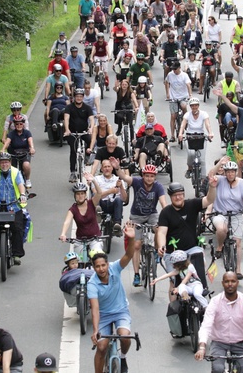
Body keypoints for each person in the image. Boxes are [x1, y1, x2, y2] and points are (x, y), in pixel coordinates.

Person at [195, 272, 243, 371]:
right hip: (219, 343)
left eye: (233, 281)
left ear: (237, 283)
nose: (230, 284)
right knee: (217, 369)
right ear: (222, 283)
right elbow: (206, 325)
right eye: (227, 281)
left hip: (239, 343)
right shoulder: (215, 301)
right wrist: (202, 347)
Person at [110, 158, 167, 287]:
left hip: (152, 215)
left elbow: (163, 203)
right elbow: (124, 177)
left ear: (155, 177)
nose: (149, 179)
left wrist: (168, 214)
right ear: (143, 176)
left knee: (159, 229)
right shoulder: (136, 182)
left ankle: (157, 251)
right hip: (136, 216)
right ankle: (136, 274)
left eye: (152, 176)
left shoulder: (158, 187)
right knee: (136, 245)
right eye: (147, 176)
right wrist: (117, 168)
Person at [88, 223, 137, 373]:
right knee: (101, 347)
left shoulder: (115, 268)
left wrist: (132, 238)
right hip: (103, 316)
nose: (101, 269)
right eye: (98, 266)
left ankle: (122, 357)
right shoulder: (92, 284)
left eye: (103, 265)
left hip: (121, 311)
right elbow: (95, 309)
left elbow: (129, 255)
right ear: (94, 267)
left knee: (125, 337)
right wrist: (96, 330)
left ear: (107, 264)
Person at [156, 180, 216, 295]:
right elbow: (162, 233)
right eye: (175, 195)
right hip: (173, 253)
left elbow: (209, 200)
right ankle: (174, 310)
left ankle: (202, 293)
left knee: (199, 267)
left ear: (183, 194)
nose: (178, 197)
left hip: (192, 249)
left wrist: (212, 187)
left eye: (180, 194)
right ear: (170, 197)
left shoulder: (192, 204)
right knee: (174, 282)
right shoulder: (166, 212)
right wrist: (161, 246)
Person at [205, 158, 243, 279]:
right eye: (228, 171)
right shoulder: (220, 180)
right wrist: (220, 163)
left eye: (232, 171)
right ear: (224, 172)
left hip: (236, 214)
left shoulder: (241, 182)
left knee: (238, 242)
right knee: (221, 229)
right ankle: (220, 246)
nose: (230, 174)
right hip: (221, 213)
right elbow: (210, 175)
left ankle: (238, 269)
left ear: (236, 172)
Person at [213, 92, 243, 181]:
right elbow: (230, 104)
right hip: (239, 141)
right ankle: (239, 181)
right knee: (239, 163)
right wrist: (222, 95)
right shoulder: (241, 112)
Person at [59, 176, 105, 254]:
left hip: (94, 239)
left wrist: (93, 180)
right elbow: (67, 222)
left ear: (85, 194)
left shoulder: (91, 203)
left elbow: (99, 193)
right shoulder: (73, 209)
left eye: (82, 193)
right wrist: (63, 233)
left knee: (98, 258)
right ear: (75, 195)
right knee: (77, 262)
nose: (80, 196)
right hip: (80, 240)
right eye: (78, 194)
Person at [64, 88, 95, 182]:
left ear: (83, 97)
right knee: (73, 151)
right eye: (77, 96)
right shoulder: (69, 107)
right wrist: (67, 130)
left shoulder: (87, 107)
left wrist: (91, 128)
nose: (79, 98)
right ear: (74, 97)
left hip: (83, 131)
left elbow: (92, 119)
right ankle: (73, 172)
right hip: (72, 132)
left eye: (80, 96)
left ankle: (86, 156)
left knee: (90, 140)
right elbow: (66, 119)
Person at [178, 98, 213, 179]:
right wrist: (180, 134)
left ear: (198, 106)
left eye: (196, 105)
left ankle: (204, 179)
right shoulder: (187, 114)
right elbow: (183, 125)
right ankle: (190, 168)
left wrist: (210, 133)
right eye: (192, 106)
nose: (194, 107)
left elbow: (208, 124)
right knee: (191, 154)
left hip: (201, 137)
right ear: (190, 107)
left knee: (202, 159)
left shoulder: (204, 114)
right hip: (190, 137)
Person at [93, 159, 128, 235]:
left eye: (109, 166)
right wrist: (110, 191)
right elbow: (95, 196)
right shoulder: (96, 179)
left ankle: (117, 225)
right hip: (101, 203)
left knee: (119, 199)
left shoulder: (118, 179)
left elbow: (125, 199)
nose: (107, 169)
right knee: (95, 196)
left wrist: (121, 187)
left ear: (112, 168)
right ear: (102, 169)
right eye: (105, 167)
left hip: (113, 204)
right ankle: (98, 214)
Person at [2, 115, 35, 189]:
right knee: (12, 169)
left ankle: (27, 179)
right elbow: (7, 142)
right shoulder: (11, 134)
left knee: (26, 165)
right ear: (14, 124)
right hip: (13, 154)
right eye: (17, 124)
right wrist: (3, 149)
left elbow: (30, 141)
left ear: (23, 124)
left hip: (25, 153)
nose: (19, 125)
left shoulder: (27, 133)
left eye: (20, 124)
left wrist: (32, 148)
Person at [164, 60, 192, 142]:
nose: (174, 70)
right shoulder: (170, 74)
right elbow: (166, 82)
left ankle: (186, 120)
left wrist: (190, 95)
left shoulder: (184, 75)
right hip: (173, 97)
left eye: (175, 69)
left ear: (179, 68)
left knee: (183, 106)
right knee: (173, 116)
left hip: (183, 97)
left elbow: (188, 85)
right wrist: (167, 94)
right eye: (173, 69)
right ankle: (172, 135)